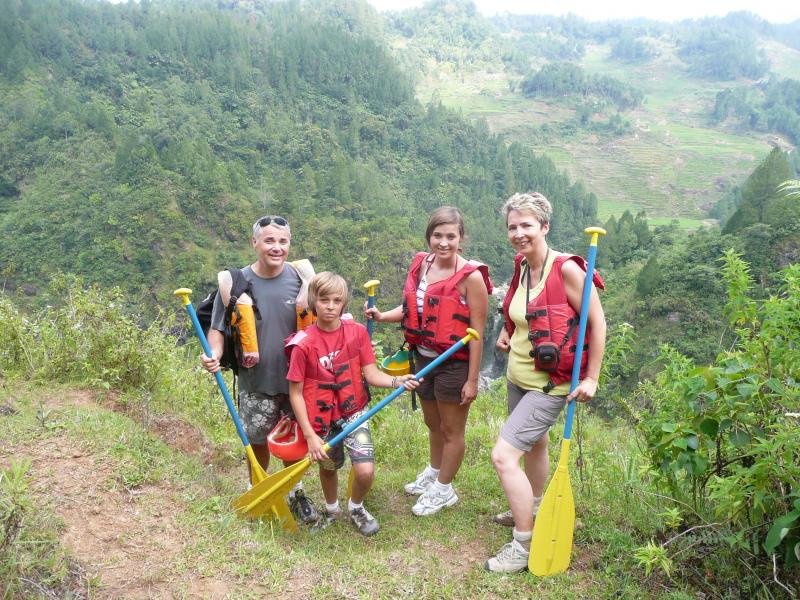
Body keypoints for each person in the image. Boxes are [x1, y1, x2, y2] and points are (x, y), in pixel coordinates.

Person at [485, 192, 606, 573]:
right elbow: (523, 313)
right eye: (512, 227)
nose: (519, 233)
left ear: (545, 227)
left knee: (503, 457)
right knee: (535, 445)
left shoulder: (566, 269)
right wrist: (507, 331)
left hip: (550, 385)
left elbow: (597, 322)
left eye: (526, 225)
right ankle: (533, 507)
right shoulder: (522, 266)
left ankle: (523, 544)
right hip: (517, 376)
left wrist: (591, 377)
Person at [365, 206, 491, 516]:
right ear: (429, 237)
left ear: (461, 239)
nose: (444, 242)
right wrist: (382, 316)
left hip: (454, 364)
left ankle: (445, 490)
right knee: (432, 423)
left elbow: (477, 333)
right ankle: (434, 474)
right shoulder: (422, 263)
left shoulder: (471, 278)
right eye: (438, 235)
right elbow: (412, 309)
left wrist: (472, 380)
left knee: (452, 430)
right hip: (422, 358)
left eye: (451, 236)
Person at [200, 215, 319, 525]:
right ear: (255, 243)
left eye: (282, 242)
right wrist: (212, 355)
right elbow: (217, 329)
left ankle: (295, 492)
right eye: (269, 241)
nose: (276, 248)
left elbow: (324, 323)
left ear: (289, 245)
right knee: (257, 439)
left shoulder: (300, 279)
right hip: (255, 381)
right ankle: (258, 488)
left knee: (294, 442)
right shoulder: (238, 282)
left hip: (296, 382)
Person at [286, 272, 418, 536]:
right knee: (329, 468)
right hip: (321, 420)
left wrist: (397, 382)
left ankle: (356, 506)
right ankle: (332, 509)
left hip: (354, 413)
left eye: (337, 300)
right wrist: (310, 436)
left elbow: (371, 374)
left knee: (365, 471)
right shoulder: (303, 345)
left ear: (344, 303)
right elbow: (296, 394)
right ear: (313, 301)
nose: (331, 306)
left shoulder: (357, 333)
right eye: (324, 300)